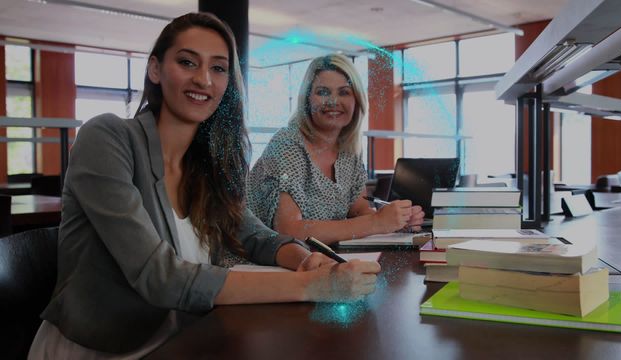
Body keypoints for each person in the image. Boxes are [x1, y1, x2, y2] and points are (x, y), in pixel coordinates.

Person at [28, 13, 380, 358]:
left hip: (186, 339)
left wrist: (305, 260)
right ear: (155, 69)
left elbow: (257, 237)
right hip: (107, 349)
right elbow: (160, 277)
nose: (204, 80)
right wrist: (311, 286)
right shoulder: (107, 138)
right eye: (187, 62)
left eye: (218, 68)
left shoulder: (206, 164)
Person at [248, 54, 424, 245]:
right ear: (307, 99)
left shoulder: (349, 151)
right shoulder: (287, 145)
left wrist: (396, 220)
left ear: (356, 100)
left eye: (344, 92)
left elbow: (359, 211)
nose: (333, 101)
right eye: (323, 92)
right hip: (256, 263)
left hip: (317, 260)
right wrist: (376, 222)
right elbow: (290, 230)